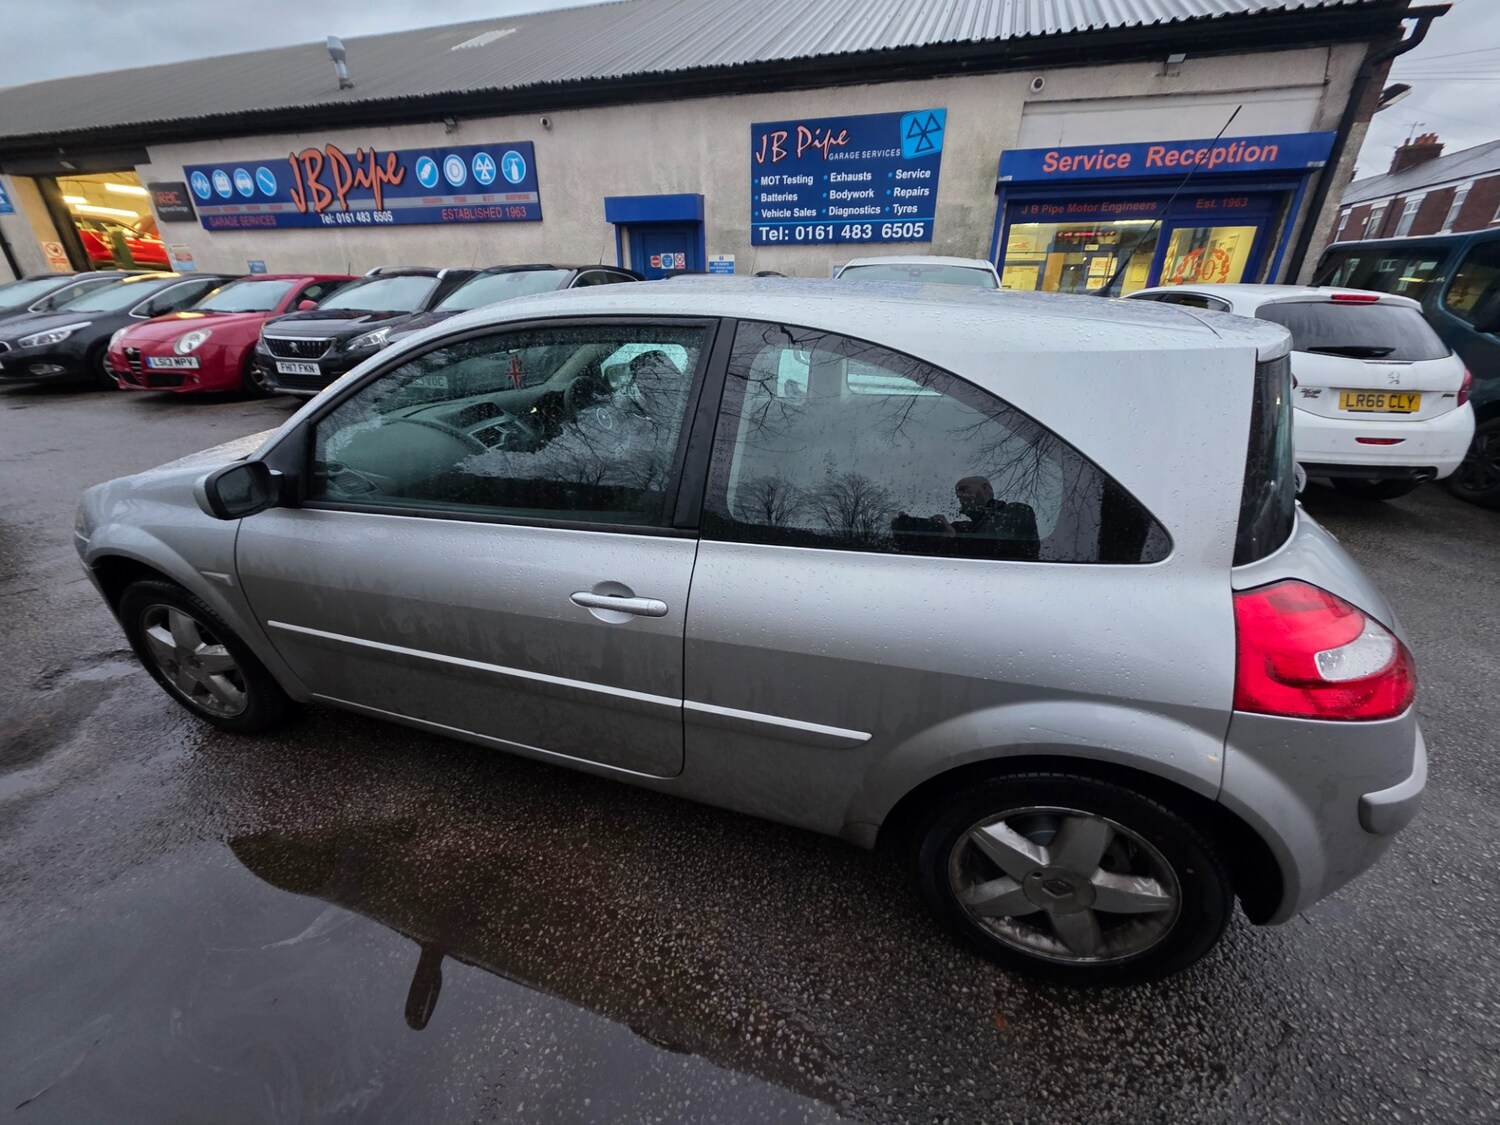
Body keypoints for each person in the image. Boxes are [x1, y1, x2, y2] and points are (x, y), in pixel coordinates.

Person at [893, 475, 1040, 560]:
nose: (959, 495)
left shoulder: (1017, 511)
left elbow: (997, 547)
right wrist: (907, 526)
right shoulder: (964, 527)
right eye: (957, 493)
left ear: (985, 488)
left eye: (963, 489)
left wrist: (953, 537)